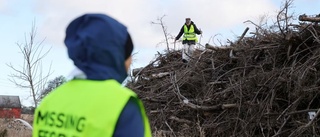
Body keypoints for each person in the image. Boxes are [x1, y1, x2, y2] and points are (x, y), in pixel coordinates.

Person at [32, 13, 152, 137]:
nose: (131, 61)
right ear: (116, 56)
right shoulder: (123, 105)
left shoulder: (49, 102)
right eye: (128, 54)